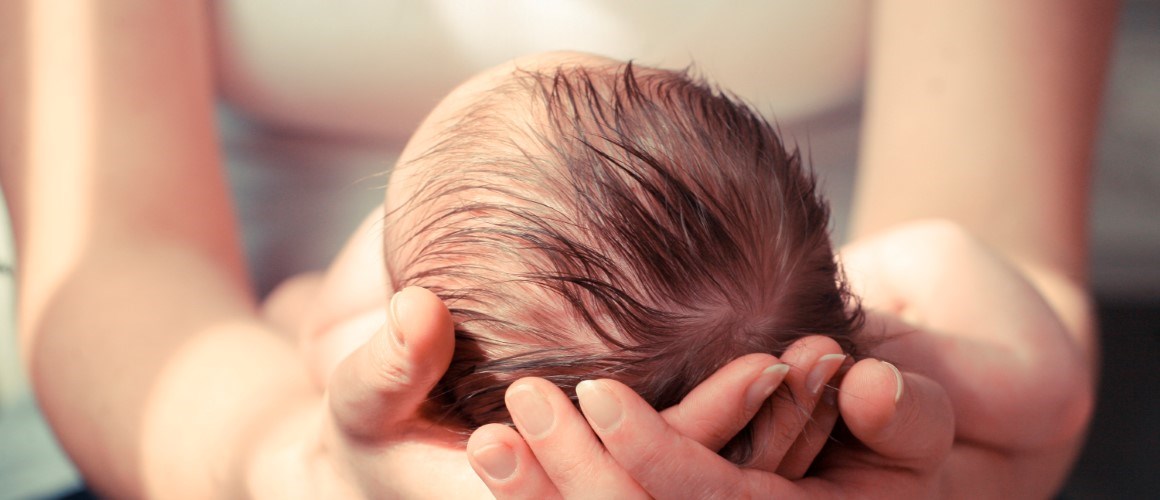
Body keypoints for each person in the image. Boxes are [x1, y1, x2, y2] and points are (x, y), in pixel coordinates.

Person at [0, 1, 1114, 499]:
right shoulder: (880, 333)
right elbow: (1040, 370)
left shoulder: (357, 332)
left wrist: (301, 359)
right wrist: (910, 343)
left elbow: (306, 328)